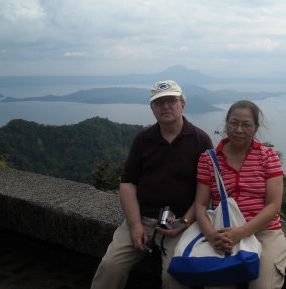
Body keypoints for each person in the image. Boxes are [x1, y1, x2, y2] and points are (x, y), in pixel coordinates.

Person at [91, 80, 213, 289]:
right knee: (110, 267)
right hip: (143, 217)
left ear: (182, 104)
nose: (165, 106)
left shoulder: (200, 140)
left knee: (175, 278)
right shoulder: (144, 139)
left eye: (171, 101)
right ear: (152, 108)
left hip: (182, 221)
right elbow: (128, 182)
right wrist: (135, 224)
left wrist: (183, 222)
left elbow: (206, 191)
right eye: (159, 103)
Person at [194, 100, 286, 289]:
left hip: (264, 232)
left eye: (246, 125)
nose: (238, 130)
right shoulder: (208, 159)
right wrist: (212, 235)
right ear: (226, 123)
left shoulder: (268, 157)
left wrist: (242, 232)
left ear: (255, 128)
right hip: (223, 232)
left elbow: (273, 205)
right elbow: (200, 204)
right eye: (234, 123)